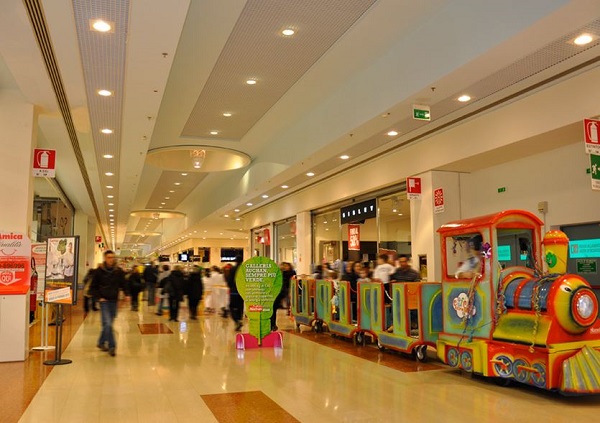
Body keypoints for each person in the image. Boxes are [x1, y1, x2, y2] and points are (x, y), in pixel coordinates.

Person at [89, 250, 127, 356]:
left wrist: (127, 294)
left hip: (114, 301)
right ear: (105, 258)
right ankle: (112, 346)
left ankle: (101, 342)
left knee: (107, 324)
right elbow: (93, 287)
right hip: (104, 301)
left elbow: (123, 284)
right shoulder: (99, 271)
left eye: (113, 257)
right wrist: (99, 297)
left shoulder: (118, 271)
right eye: (109, 257)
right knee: (108, 323)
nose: (111, 259)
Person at [270, 262, 296, 331]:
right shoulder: (280, 273)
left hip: (280, 292)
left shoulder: (287, 273)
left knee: (273, 308)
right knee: (273, 308)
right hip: (278, 292)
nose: (284, 267)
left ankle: (272, 325)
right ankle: (272, 325)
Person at [227, 256, 244, 331]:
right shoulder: (244, 269)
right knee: (240, 306)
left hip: (234, 291)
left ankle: (236, 320)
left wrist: (230, 287)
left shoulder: (233, 269)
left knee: (232, 306)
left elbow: (229, 280)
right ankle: (240, 319)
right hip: (242, 291)